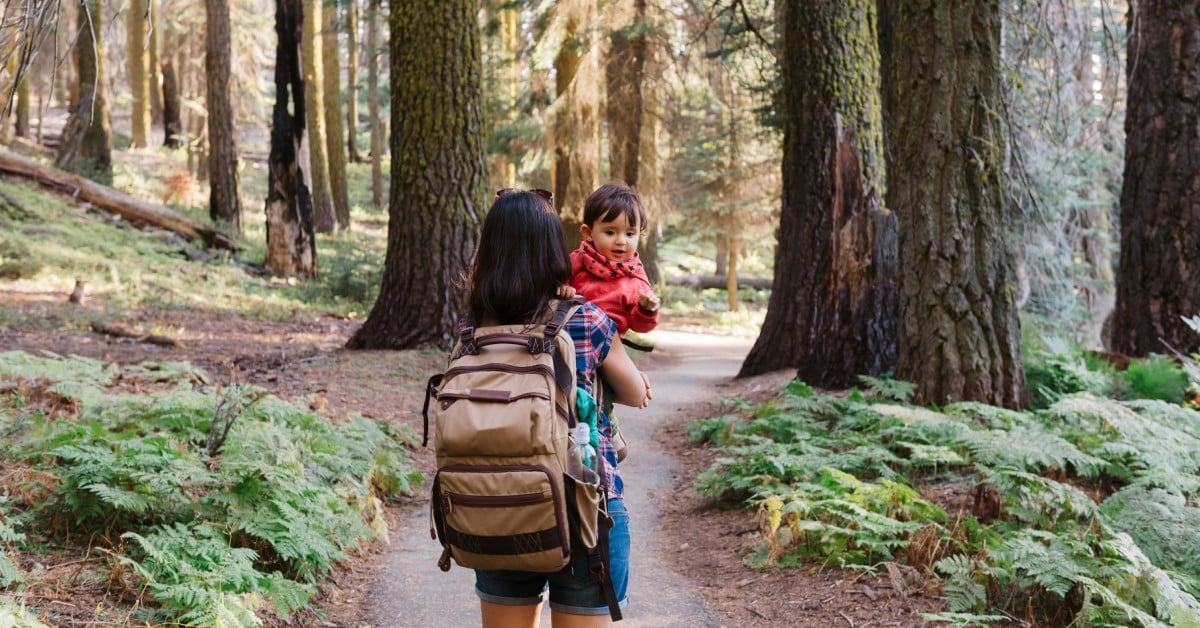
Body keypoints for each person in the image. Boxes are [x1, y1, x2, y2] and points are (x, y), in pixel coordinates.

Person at [467, 188, 651, 628]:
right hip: (585, 505)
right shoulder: (584, 317)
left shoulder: (472, 330)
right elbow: (634, 394)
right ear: (556, 248)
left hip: (498, 507)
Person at [567, 181, 661, 461]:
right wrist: (564, 290)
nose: (621, 241)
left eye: (630, 233)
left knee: (611, 389)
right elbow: (554, 289)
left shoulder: (634, 276)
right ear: (588, 232)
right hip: (574, 344)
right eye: (610, 232)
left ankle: (610, 428)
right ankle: (603, 433)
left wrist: (646, 309)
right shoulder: (575, 263)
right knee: (583, 387)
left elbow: (640, 324)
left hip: (610, 349)